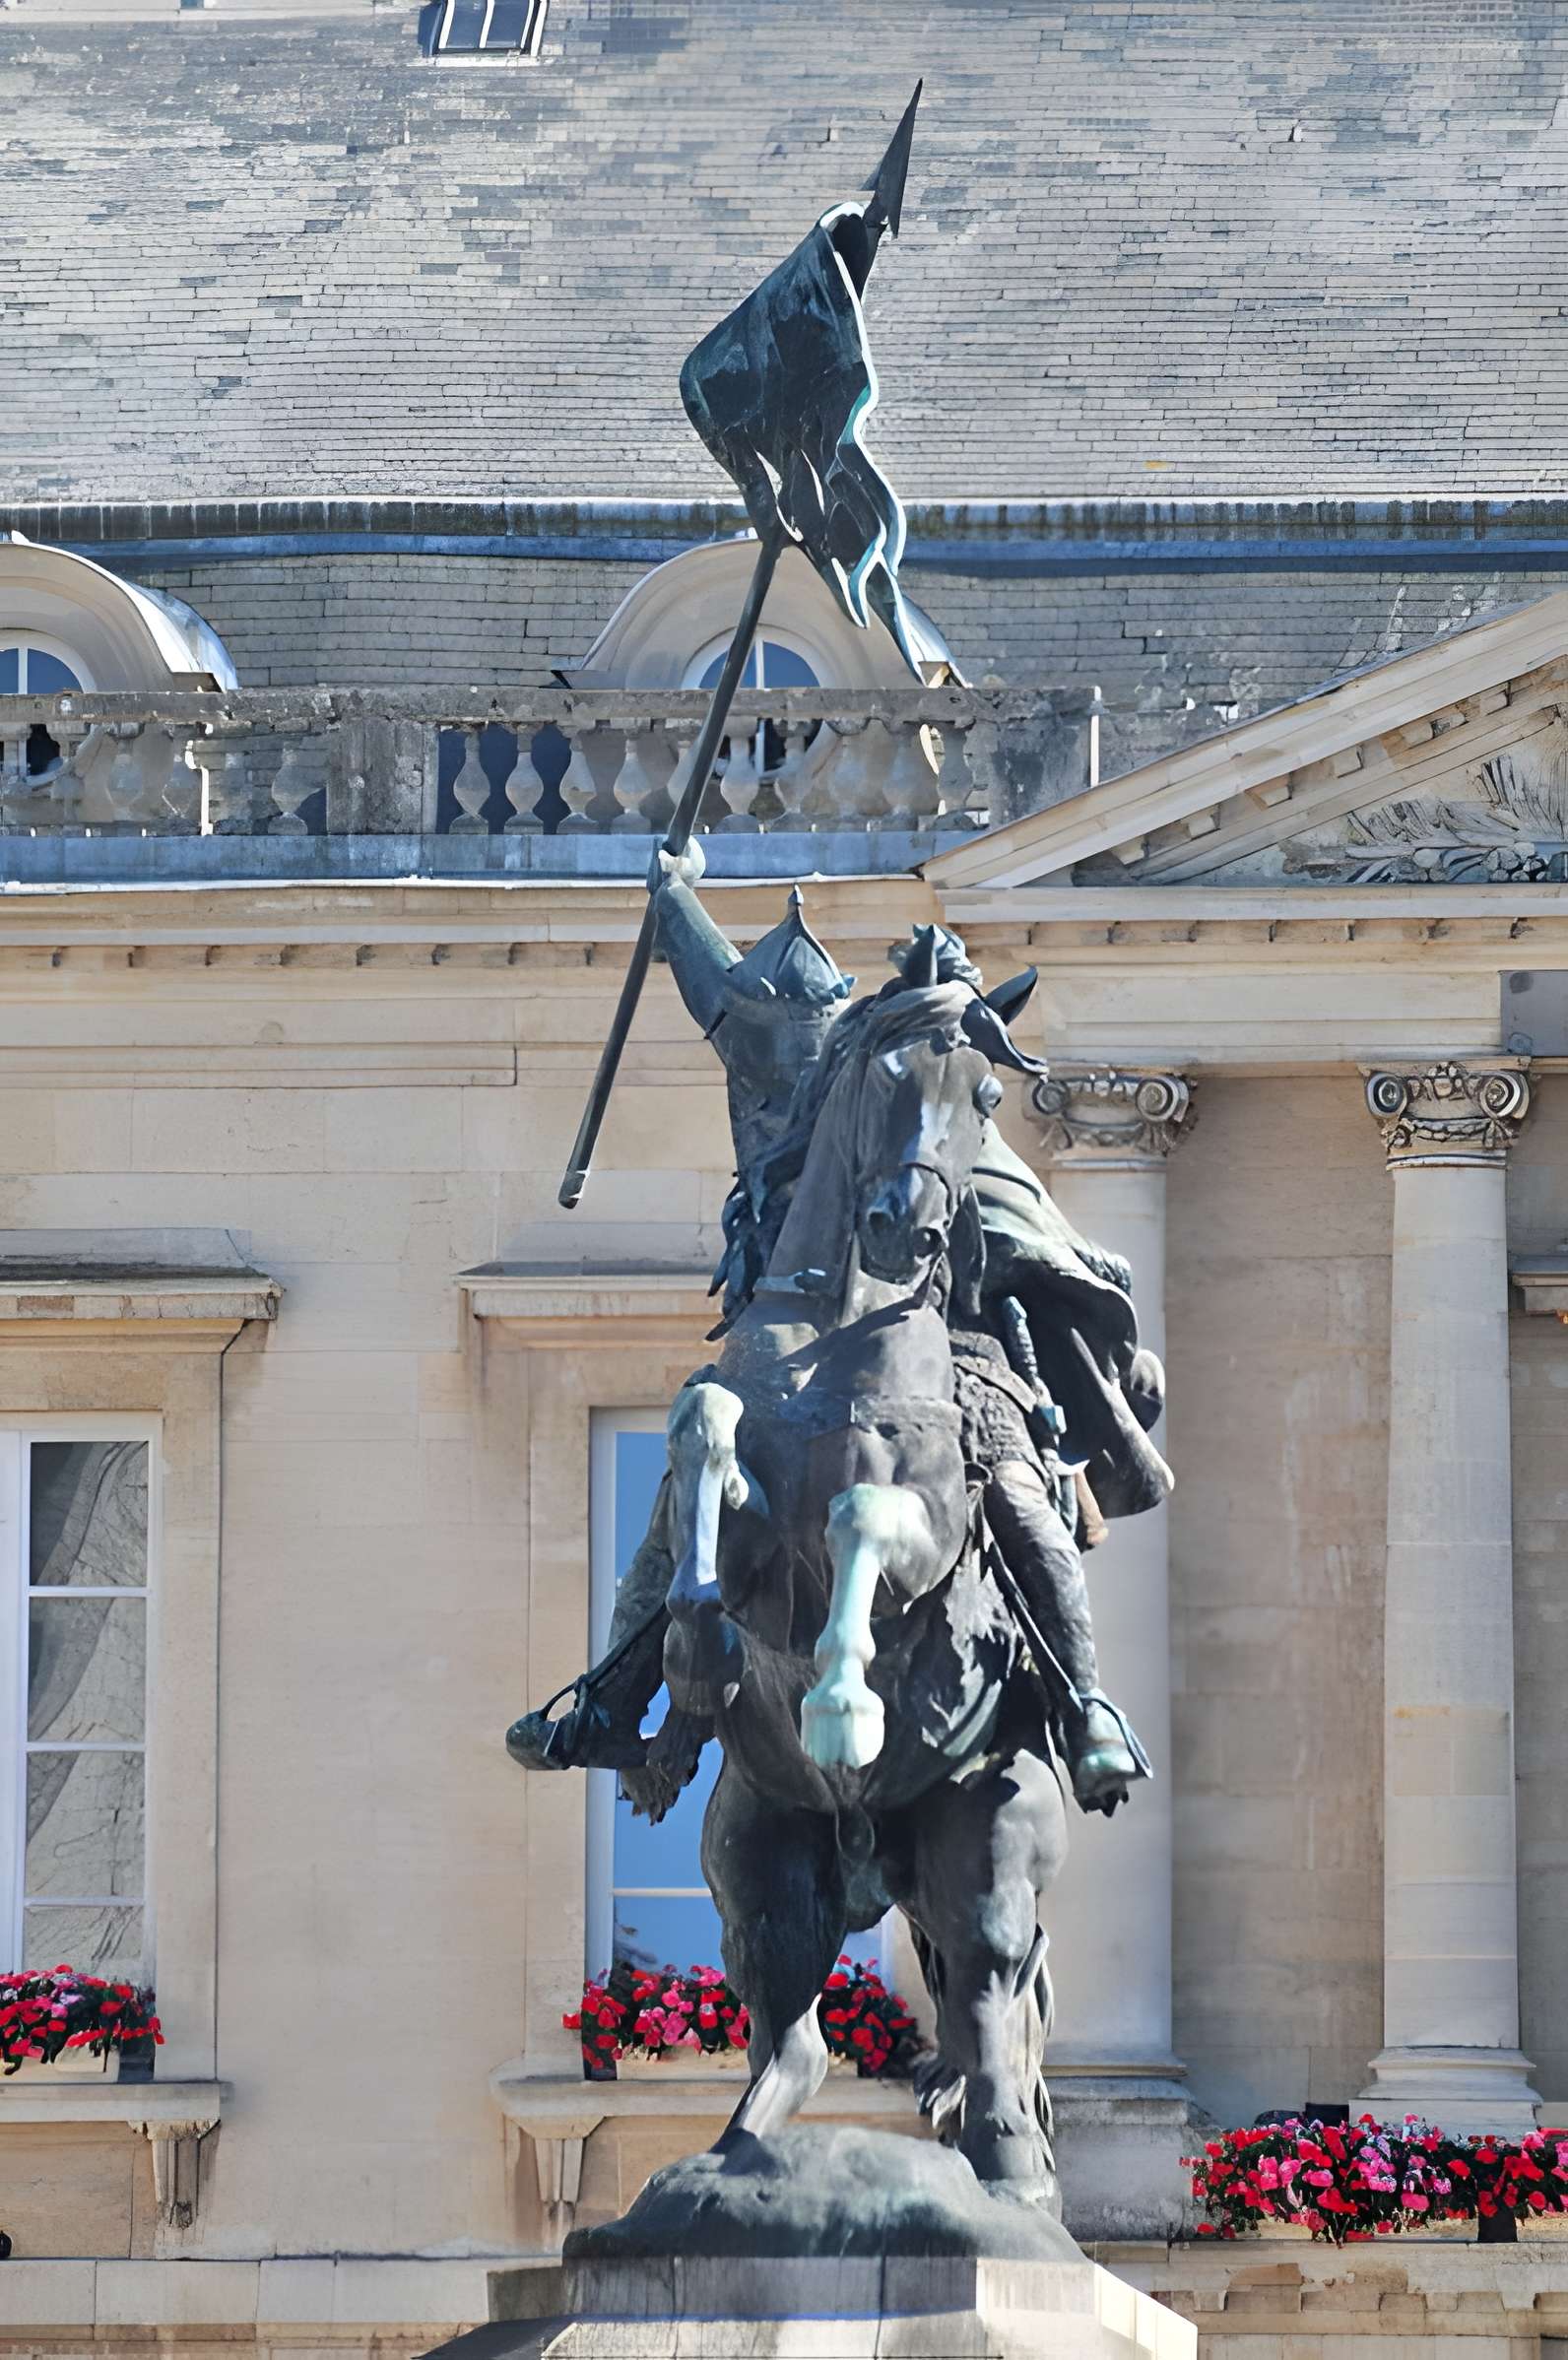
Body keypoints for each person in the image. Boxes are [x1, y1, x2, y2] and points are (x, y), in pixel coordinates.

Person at [506, 846, 1169, 1812]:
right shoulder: (811, 1065)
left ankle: (1083, 1706)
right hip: (786, 1337)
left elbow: (1027, 1235)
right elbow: (717, 991)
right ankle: (620, 1696)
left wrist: (1061, 1275)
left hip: (949, 1351)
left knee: (1020, 1496)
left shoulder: (945, 1117)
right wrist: (672, 891)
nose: (770, 1069)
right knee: (679, 1494)